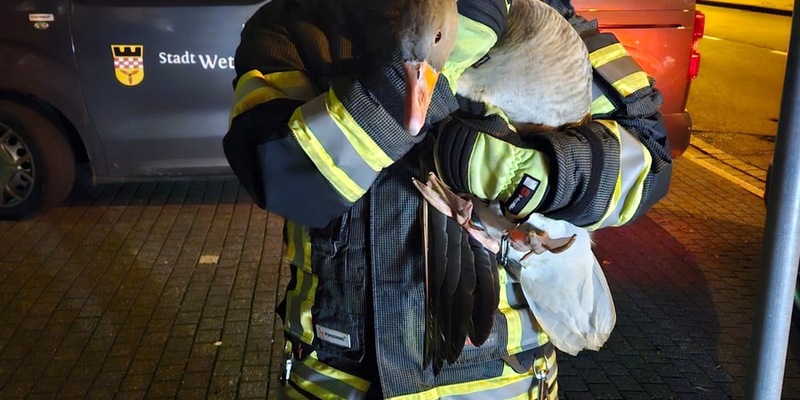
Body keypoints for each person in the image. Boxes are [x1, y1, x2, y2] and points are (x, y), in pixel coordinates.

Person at [223, 0, 671, 398]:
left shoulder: (546, 17)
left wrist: (529, 176)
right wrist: (433, 62)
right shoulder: (293, 25)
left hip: (503, 381)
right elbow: (284, 176)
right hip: (338, 378)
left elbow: (648, 157)